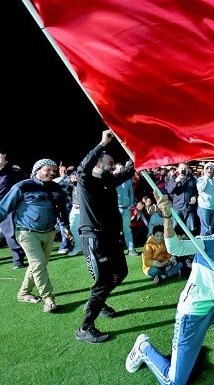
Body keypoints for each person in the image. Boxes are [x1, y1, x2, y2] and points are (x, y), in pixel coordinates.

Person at [125, 196, 214, 385]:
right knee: (175, 383)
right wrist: (168, 218)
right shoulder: (208, 242)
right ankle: (143, 348)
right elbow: (175, 248)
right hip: (194, 311)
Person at [0, 159, 71, 312]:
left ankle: (24, 293)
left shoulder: (56, 187)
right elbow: (1, 209)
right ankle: (49, 298)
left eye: (54, 170)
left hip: (49, 232)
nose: (52, 173)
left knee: (37, 265)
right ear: (37, 170)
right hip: (26, 233)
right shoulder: (22, 186)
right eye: (48, 169)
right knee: (38, 265)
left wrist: (65, 226)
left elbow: (61, 208)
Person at [75, 130, 136, 344]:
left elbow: (127, 172)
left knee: (121, 273)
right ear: (98, 165)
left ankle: (98, 304)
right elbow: (82, 168)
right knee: (102, 283)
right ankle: (85, 327)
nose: (113, 166)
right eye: (110, 163)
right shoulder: (87, 182)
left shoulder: (109, 182)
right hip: (95, 239)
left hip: (111, 238)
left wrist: (136, 157)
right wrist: (101, 145)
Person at [115, 163, 139, 256]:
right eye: (119, 169)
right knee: (115, 230)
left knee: (127, 229)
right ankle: (116, 251)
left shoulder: (128, 180)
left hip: (126, 208)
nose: (121, 170)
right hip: (116, 208)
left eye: (122, 168)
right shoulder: (112, 179)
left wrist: (132, 204)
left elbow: (131, 193)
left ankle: (131, 248)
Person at [196, 163, 214, 235]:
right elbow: (200, 189)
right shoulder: (200, 179)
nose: (209, 170)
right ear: (204, 170)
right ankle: (203, 243)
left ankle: (209, 242)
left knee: (211, 227)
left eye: (211, 168)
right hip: (204, 207)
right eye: (207, 168)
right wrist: (206, 178)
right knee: (205, 228)